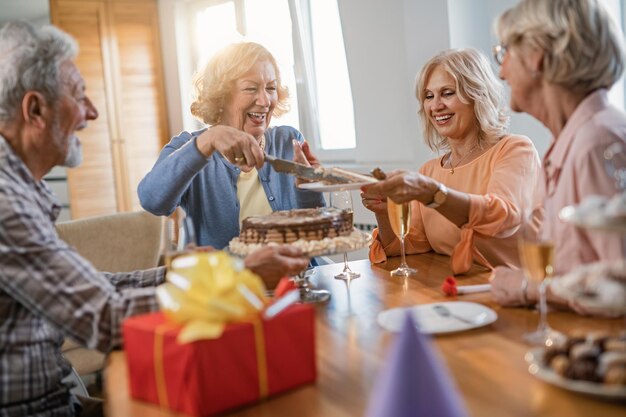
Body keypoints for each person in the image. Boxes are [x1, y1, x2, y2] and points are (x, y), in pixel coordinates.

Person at [0, 22, 310, 416]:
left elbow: (97, 288)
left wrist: (213, 269)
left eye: (270, 87)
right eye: (79, 95)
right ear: (35, 110)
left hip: (57, 393)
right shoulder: (7, 205)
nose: (92, 112)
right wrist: (238, 277)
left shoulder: (21, 192)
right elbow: (105, 316)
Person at [489, 0, 626, 313]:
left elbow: (619, 290)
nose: (501, 71)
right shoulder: (574, 140)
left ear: (537, 55)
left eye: (505, 51)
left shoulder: (597, 142)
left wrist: (525, 286)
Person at [361, 48, 541, 275]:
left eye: (447, 93)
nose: (435, 106)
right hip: (459, 291)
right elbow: (412, 245)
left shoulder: (514, 149)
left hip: (523, 293)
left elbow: (501, 217)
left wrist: (433, 194)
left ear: (477, 95)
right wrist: (383, 211)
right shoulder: (429, 171)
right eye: (428, 96)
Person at [138, 42, 324, 250]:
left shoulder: (288, 141)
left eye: (271, 88)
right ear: (222, 95)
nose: (265, 101)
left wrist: (308, 187)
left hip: (296, 278)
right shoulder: (189, 147)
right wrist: (206, 142)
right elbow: (152, 201)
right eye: (251, 88)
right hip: (229, 281)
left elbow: (317, 231)